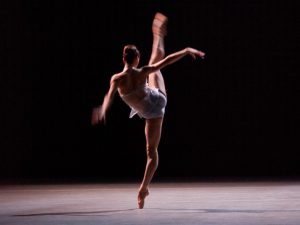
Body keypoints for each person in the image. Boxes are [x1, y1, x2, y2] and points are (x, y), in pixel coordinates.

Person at [91, 12, 205, 209]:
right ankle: (157, 33)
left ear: (123, 58)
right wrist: (186, 50)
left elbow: (108, 97)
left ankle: (144, 188)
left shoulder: (116, 79)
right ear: (136, 58)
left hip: (148, 110)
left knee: (151, 152)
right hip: (157, 103)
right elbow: (166, 60)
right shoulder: (142, 71)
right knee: (156, 66)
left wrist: (102, 110)